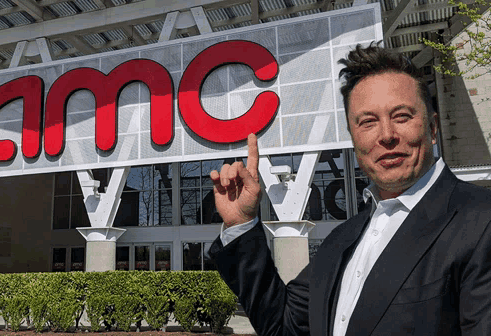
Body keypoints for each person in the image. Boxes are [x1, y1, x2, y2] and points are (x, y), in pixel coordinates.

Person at [208, 43, 491, 335]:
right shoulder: (341, 242)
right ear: (354, 139)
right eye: (368, 122)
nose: (387, 135)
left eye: (402, 116)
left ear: (432, 128)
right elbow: (284, 325)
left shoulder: (482, 222)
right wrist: (242, 223)